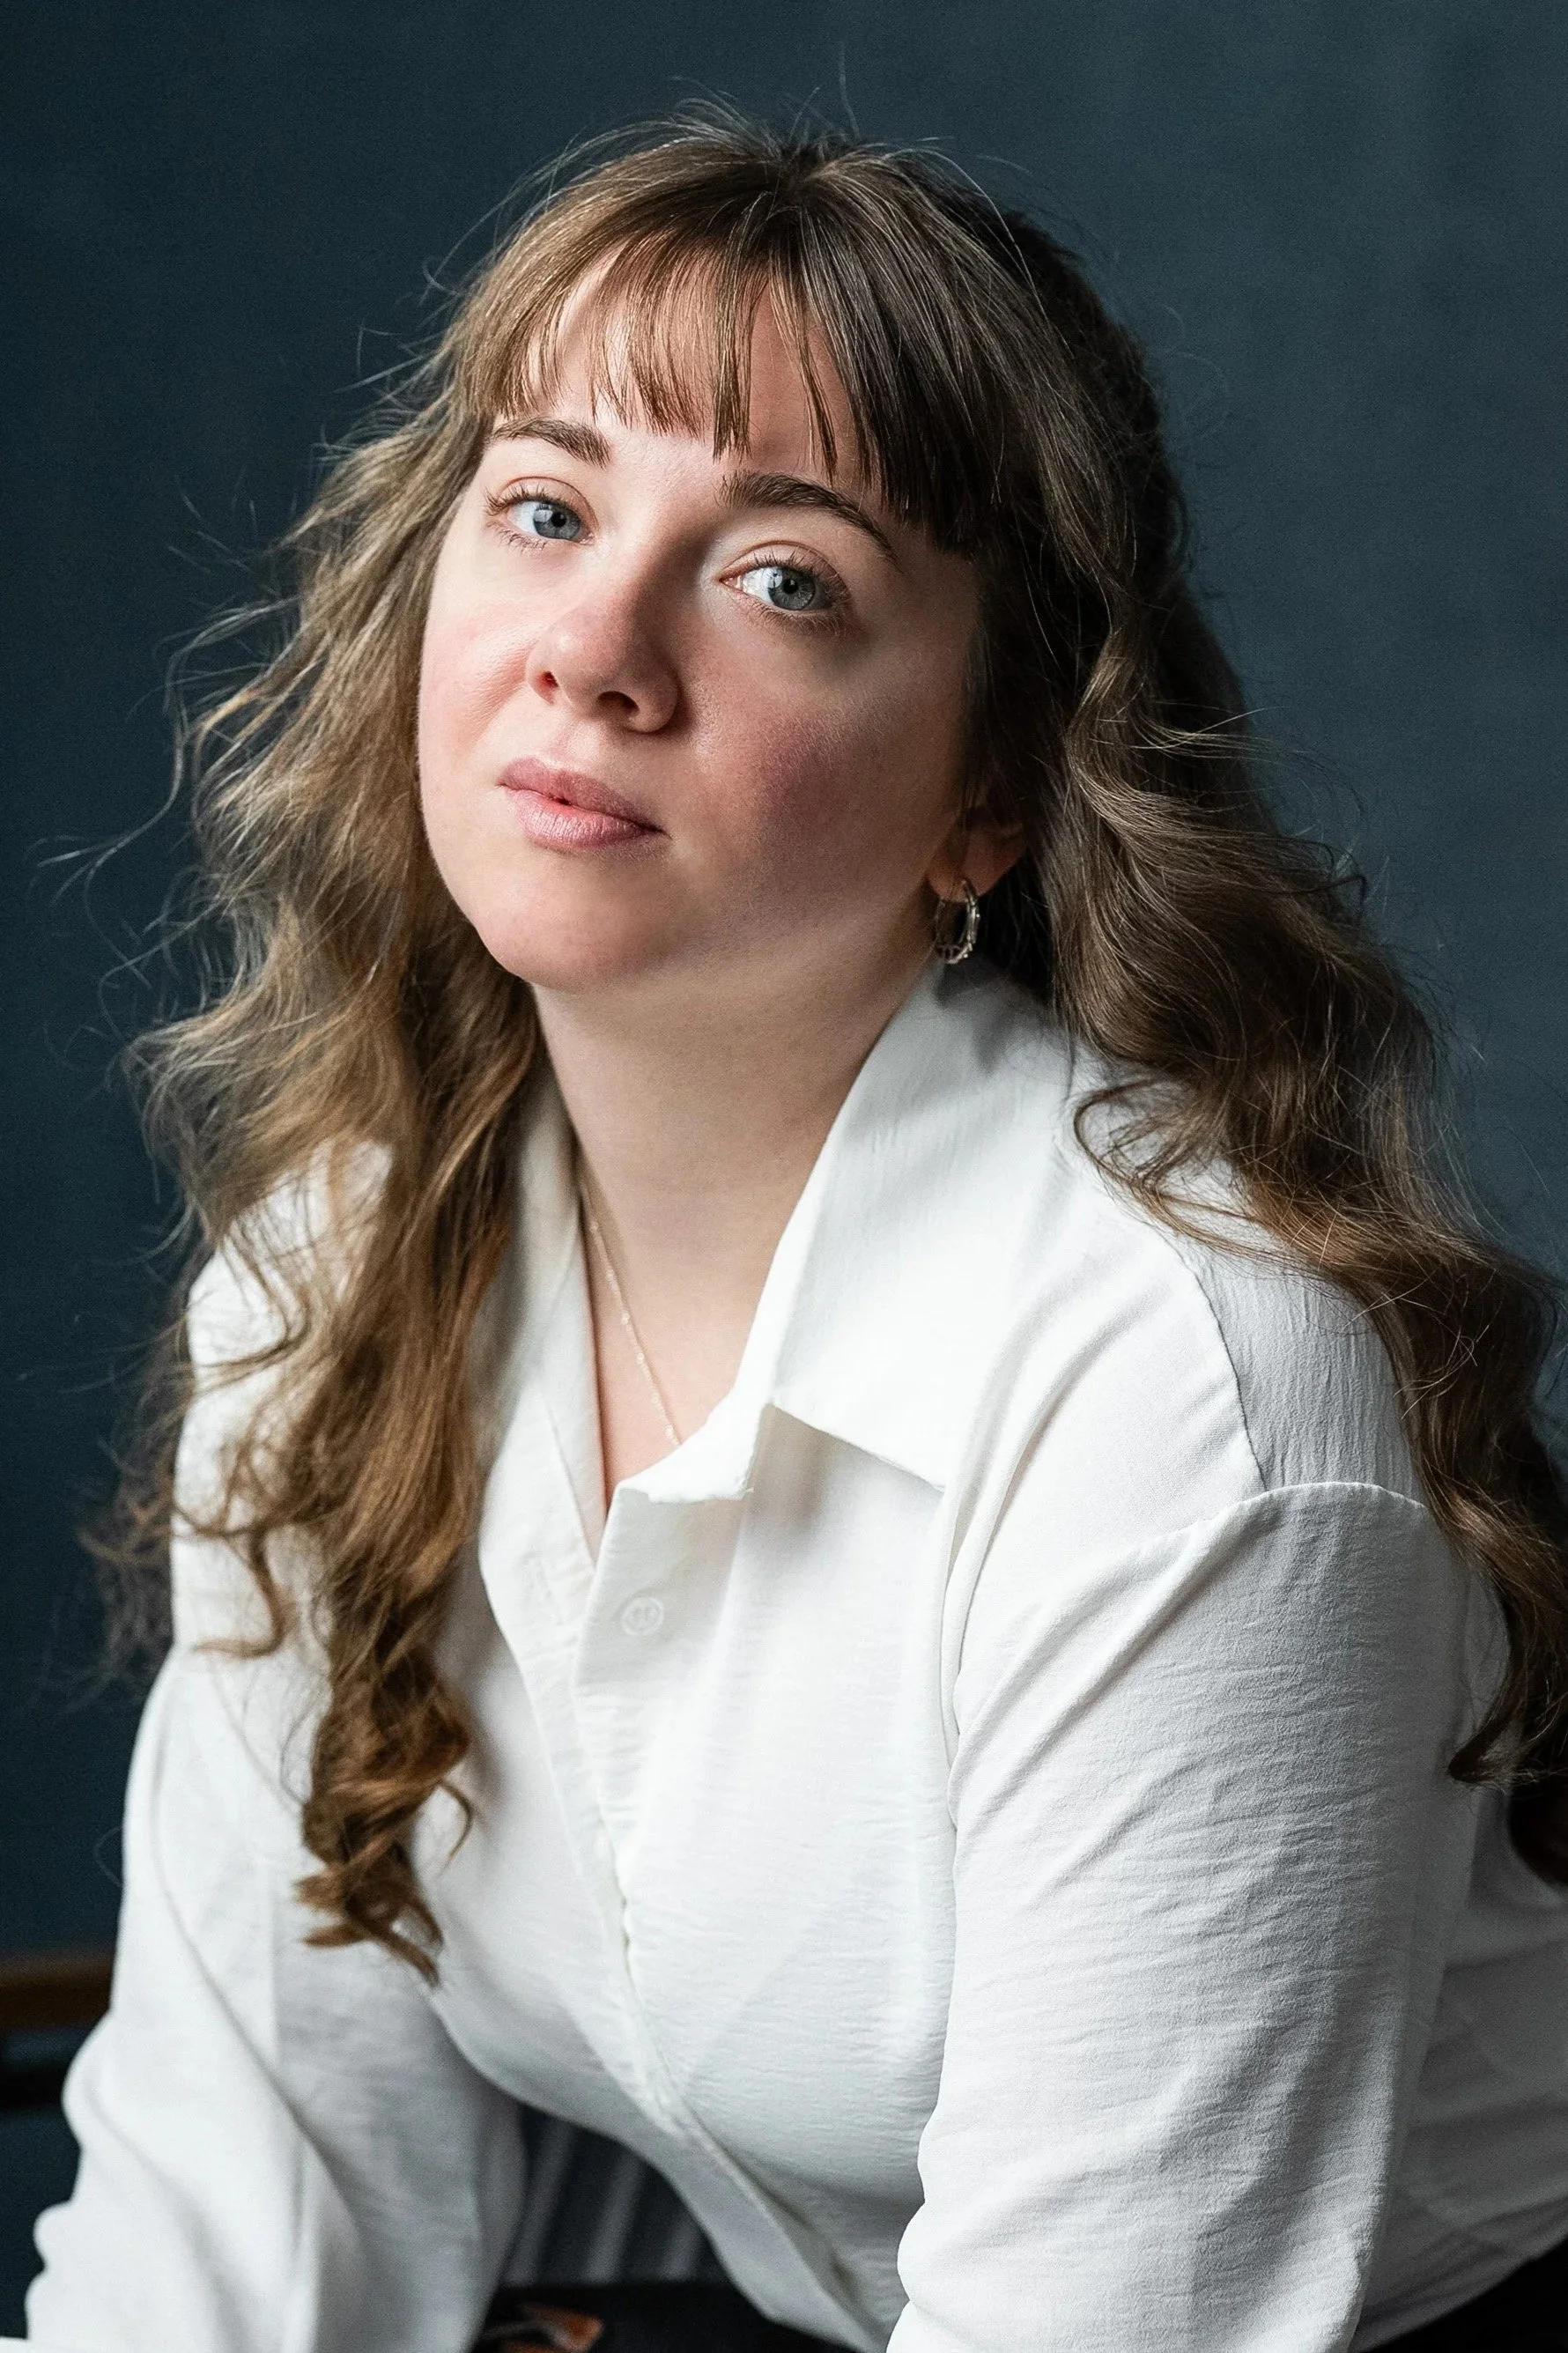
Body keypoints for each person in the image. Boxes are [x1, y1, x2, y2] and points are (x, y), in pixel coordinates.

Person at [19, 116, 1568, 2353]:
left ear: (992, 796)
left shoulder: (1190, 1396)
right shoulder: (334, 1276)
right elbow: (249, 2227)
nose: (595, 649)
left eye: (781, 580)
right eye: (545, 509)